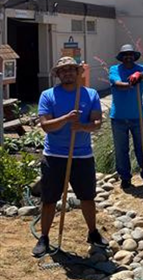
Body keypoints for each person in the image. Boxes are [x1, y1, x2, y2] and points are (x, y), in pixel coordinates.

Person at [32, 57, 109, 257]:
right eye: (63, 70)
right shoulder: (48, 95)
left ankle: (93, 232)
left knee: (87, 197)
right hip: (54, 156)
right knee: (49, 199)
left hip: (82, 155)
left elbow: (97, 122)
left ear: (77, 72)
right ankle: (44, 237)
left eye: (71, 70)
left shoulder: (89, 94)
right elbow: (46, 126)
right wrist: (66, 119)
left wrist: (82, 126)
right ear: (58, 74)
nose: (67, 73)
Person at [109, 44, 143, 189]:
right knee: (121, 149)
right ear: (121, 57)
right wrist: (130, 84)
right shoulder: (114, 69)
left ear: (134, 56)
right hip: (118, 118)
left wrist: (139, 76)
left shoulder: (141, 68)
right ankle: (125, 178)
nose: (128, 57)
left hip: (137, 117)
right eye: (125, 55)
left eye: (130, 54)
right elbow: (117, 83)